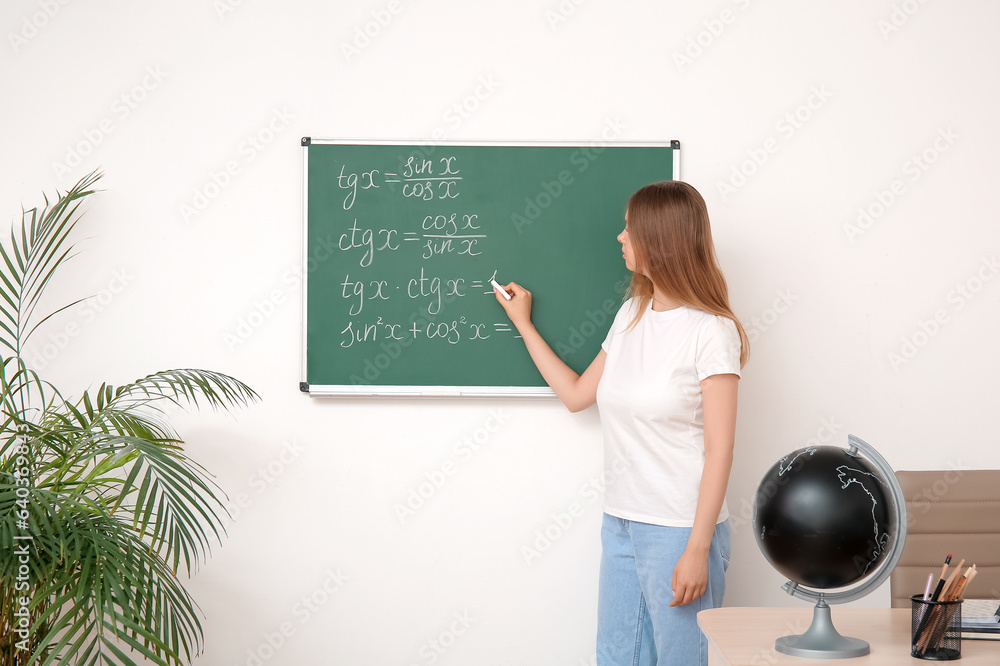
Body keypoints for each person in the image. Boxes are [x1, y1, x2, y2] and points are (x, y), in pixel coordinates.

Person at [494, 180, 749, 665]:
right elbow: (576, 396)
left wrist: (697, 549)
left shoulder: (711, 332)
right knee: (616, 657)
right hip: (622, 519)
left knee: (681, 659)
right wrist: (523, 324)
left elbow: (721, 448)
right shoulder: (632, 313)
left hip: (678, 526)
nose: (620, 237)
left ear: (659, 239)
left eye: (629, 227)